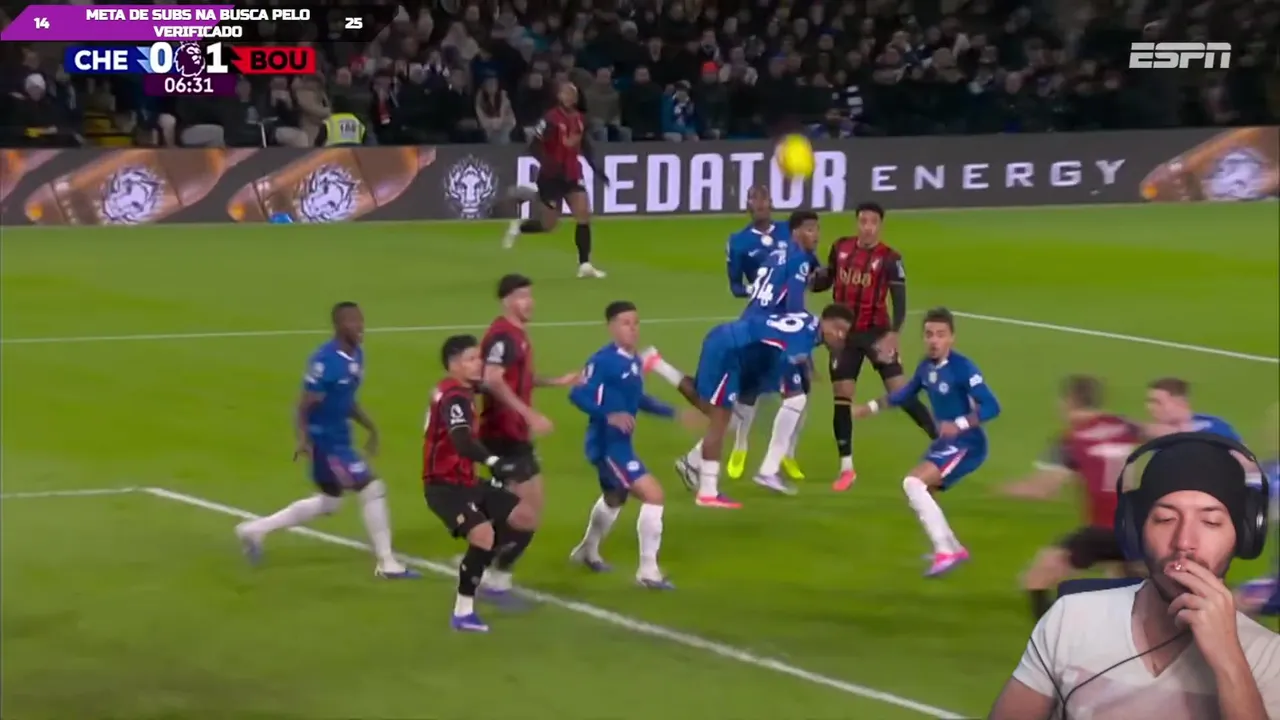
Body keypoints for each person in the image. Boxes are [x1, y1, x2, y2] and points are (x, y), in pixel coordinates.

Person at [989, 434, 1280, 720]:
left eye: (1211, 522)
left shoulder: (1270, 657)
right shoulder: (1070, 618)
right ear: (1135, 528)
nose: (1184, 542)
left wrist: (1229, 661)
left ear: (1244, 536)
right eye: (1165, 519)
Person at [234, 302, 418, 579]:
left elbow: (346, 400)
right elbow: (304, 405)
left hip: (340, 439)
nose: (360, 326)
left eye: (361, 320)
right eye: (352, 321)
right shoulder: (325, 362)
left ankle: (254, 530)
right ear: (339, 326)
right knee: (372, 488)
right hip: (325, 443)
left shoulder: (357, 356)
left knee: (330, 502)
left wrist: (371, 428)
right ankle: (386, 561)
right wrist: (303, 439)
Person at [642, 305, 855, 509]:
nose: (841, 336)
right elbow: (788, 358)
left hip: (745, 353)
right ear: (825, 322)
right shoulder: (802, 341)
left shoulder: (808, 323)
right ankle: (709, 492)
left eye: (844, 332)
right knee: (719, 415)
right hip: (731, 350)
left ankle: (657, 365)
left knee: (730, 415)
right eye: (838, 329)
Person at [852, 308, 1000, 577]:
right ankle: (953, 547)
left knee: (913, 483)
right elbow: (904, 394)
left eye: (941, 335)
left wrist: (960, 424)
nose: (934, 340)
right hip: (948, 443)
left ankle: (945, 551)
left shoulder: (963, 368)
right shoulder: (926, 367)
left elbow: (991, 406)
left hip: (968, 443)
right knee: (925, 492)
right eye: (929, 334)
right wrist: (870, 407)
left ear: (952, 338)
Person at [811, 202, 937, 492]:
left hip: (877, 333)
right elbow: (827, 279)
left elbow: (900, 300)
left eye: (873, 222)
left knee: (900, 391)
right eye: (863, 221)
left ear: (880, 225)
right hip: (844, 336)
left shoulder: (890, 258)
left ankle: (941, 439)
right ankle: (846, 468)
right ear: (857, 223)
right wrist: (808, 279)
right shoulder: (840, 248)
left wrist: (894, 333)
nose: (867, 227)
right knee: (842, 395)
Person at [423, 334, 540, 632]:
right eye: (471, 359)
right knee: (483, 534)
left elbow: (501, 384)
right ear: (454, 364)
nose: (479, 363)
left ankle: (482, 568)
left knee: (524, 517)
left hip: (467, 481)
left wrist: (552, 382)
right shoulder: (455, 397)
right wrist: (494, 462)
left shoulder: (460, 389)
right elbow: (461, 441)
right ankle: (463, 613)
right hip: (444, 486)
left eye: (479, 357)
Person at [474, 274, 580, 598]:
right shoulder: (503, 337)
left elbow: (517, 378)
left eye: (530, 295)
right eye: (521, 296)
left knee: (519, 509)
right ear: (506, 300)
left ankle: (485, 561)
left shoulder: (516, 335)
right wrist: (529, 414)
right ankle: (495, 576)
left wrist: (556, 381)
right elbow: (492, 379)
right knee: (527, 514)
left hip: (513, 433)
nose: (529, 302)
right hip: (503, 434)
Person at [1003, 375, 1143, 620]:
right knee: (1126, 581)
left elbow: (1044, 489)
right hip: (1137, 525)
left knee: (1035, 580)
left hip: (1101, 530)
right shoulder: (1124, 425)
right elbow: (1158, 434)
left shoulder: (1071, 440)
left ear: (1069, 401)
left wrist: (1007, 489)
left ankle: (1051, 632)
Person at [567, 301, 685, 589]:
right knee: (653, 494)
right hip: (608, 446)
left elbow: (638, 399)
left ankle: (587, 552)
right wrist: (608, 414)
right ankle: (648, 571)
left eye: (635, 323)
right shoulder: (603, 361)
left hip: (619, 444)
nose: (632, 329)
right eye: (625, 323)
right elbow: (577, 394)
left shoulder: (633, 360)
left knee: (614, 498)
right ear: (611, 327)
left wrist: (674, 413)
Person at [718, 190, 819, 485]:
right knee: (756, 390)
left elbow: (812, 272)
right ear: (748, 205)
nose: (761, 204)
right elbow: (736, 285)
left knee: (799, 389)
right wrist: (757, 292)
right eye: (755, 199)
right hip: (766, 325)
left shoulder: (790, 235)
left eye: (765, 199)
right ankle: (742, 448)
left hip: (779, 323)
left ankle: (787, 452)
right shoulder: (739, 242)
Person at [501, 80, 607, 279]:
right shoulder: (550, 119)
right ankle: (519, 225)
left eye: (573, 94)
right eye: (566, 93)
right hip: (551, 177)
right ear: (559, 96)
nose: (569, 97)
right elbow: (533, 145)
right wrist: (548, 163)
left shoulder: (580, 119)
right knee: (549, 225)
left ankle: (585, 264)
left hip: (572, 174)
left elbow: (584, 146)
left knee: (583, 214)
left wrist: (597, 169)